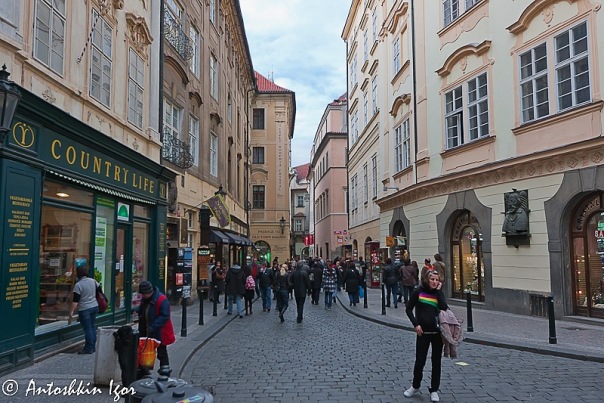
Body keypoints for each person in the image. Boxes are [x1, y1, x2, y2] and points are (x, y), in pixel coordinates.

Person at [403, 270, 449, 402]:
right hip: (423, 333)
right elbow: (408, 309)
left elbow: (444, 308)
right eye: (432, 279)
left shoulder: (438, 293)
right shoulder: (418, 291)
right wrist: (416, 324)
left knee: (436, 362)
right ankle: (415, 386)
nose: (434, 282)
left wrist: (439, 292)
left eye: (437, 280)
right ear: (427, 280)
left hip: (437, 333)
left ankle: (434, 390)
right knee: (420, 361)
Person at [137, 280, 176, 375]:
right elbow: (143, 309)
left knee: (162, 351)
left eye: (144, 294)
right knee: (145, 351)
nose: (142, 296)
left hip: (160, 331)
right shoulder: (145, 299)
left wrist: (153, 326)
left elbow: (165, 316)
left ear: (149, 292)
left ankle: (165, 371)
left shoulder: (162, 300)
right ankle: (145, 371)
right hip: (147, 329)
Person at [69, 265, 99, 354]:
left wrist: (71, 311)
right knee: (92, 327)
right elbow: (99, 292)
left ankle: (88, 348)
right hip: (94, 306)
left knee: (87, 329)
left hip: (85, 309)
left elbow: (75, 300)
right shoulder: (93, 281)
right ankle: (93, 347)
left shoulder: (78, 285)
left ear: (78, 274)